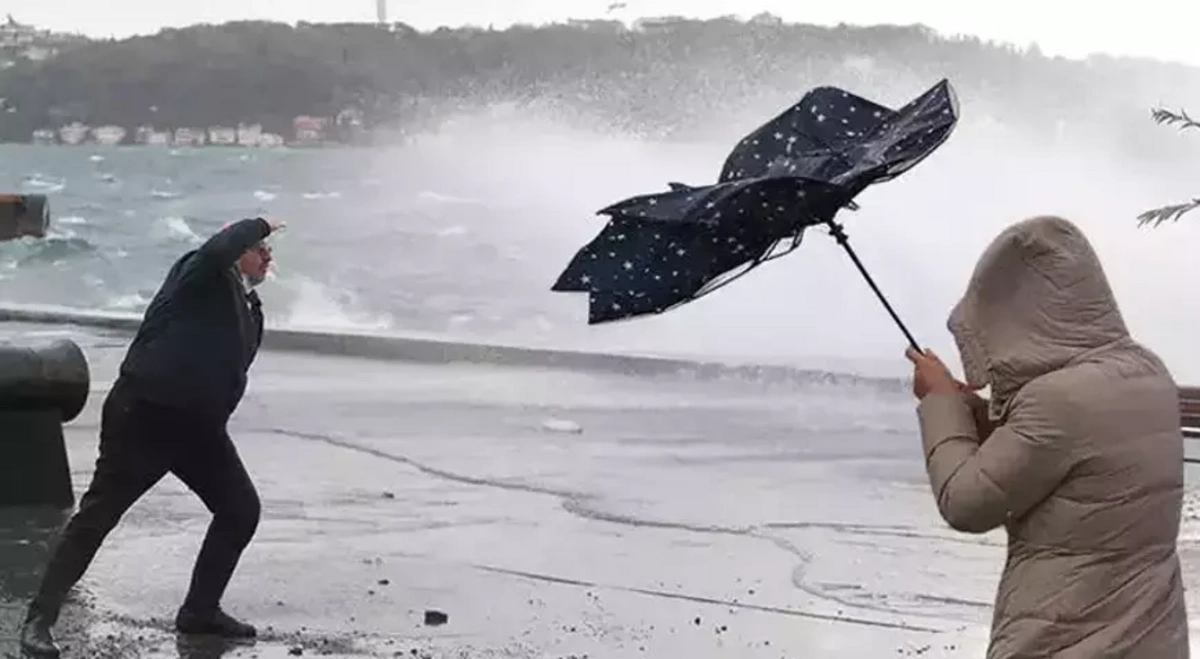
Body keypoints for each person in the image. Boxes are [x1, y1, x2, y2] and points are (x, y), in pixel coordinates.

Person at [905, 215, 1189, 658]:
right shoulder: (1145, 371)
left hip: (1066, 637)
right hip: (1147, 634)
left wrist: (941, 403)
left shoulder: (1059, 399)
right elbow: (1061, 462)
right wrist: (974, 414)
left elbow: (966, 503)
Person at [21, 217, 284, 658]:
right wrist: (258, 223)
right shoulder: (200, 271)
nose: (267, 253)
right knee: (97, 519)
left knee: (240, 510)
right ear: (235, 247)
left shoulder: (249, 306)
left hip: (198, 428)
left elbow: (230, 367)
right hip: (145, 416)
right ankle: (38, 622)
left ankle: (200, 611)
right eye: (259, 245)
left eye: (268, 248)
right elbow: (217, 249)